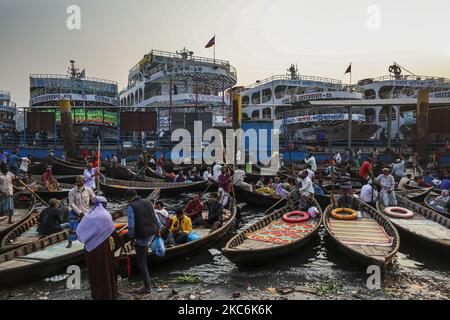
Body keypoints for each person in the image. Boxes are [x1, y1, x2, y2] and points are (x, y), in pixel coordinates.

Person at [76, 196, 118, 300]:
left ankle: (97, 294)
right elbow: (112, 231)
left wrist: (89, 239)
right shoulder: (105, 215)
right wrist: (121, 244)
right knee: (106, 270)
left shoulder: (88, 216)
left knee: (95, 271)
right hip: (103, 248)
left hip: (90, 248)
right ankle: (108, 294)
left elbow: (80, 231)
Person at [125, 189, 159, 294]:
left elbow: (131, 226)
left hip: (142, 236)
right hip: (152, 232)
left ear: (128, 197)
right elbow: (155, 217)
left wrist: (131, 237)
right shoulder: (148, 202)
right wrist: (157, 230)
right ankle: (148, 284)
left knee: (141, 261)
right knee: (143, 257)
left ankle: (147, 287)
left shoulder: (131, 206)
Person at [68, 176, 95, 248]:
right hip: (75, 212)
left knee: (88, 228)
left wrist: (97, 201)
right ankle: (70, 242)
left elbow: (93, 199)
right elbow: (71, 204)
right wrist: (79, 212)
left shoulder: (88, 190)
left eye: (80, 182)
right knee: (73, 229)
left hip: (86, 212)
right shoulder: (71, 192)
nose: (78, 183)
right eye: (77, 182)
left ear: (84, 182)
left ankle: (88, 242)